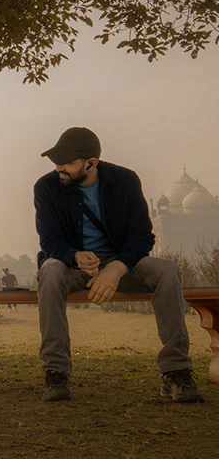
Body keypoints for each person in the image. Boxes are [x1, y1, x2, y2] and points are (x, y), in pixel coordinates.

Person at [34, 127, 202, 403]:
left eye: (66, 163)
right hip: (74, 265)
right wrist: (75, 256)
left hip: (121, 262)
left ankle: (176, 370)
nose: (59, 168)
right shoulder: (47, 187)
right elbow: (50, 240)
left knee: (166, 271)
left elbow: (142, 236)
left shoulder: (124, 181)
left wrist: (117, 267)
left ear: (91, 163)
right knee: (50, 271)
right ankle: (56, 371)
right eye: (56, 162)